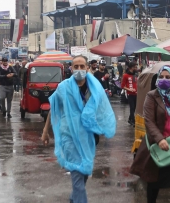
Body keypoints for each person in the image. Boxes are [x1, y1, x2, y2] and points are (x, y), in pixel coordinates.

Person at [41, 55, 116, 203]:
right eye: (76, 66)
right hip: (69, 136)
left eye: (82, 66)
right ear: (71, 68)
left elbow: (102, 109)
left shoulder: (95, 87)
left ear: (87, 68)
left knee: (84, 173)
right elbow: (53, 108)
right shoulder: (64, 87)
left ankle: (73, 198)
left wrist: (102, 126)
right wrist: (45, 131)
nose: (80, 69)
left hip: (89, 136)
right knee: (77, 174)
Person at [131, 65, 170, 203]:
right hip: (158, 146)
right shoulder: (152, 96)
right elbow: (149, 121)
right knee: (154, 184)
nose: (164, 79)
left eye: (168, 77)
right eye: (161, 77)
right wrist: (160, 139)